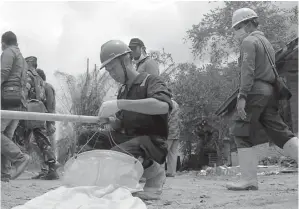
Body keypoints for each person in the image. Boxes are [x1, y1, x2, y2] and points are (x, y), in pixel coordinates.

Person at [227, 8, 298, 191]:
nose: (237, 31)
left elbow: (247, 71)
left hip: (255, 91)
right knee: (280, 131)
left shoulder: (249, 42)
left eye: (239, 26)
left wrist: (242, 96)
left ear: (249, 23)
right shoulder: (265, 42)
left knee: (240, 129)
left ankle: (248, 179)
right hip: (270, 91)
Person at [97, 40, 173, 200]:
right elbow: (121, 123)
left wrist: (119, 104)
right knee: (91, 139)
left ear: (126, 61)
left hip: (152, 143)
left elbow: (162, 106)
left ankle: (155, 173)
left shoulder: (151, 81)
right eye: (108, 71)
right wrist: (111, 121)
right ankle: (97, 184)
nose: (112, 74)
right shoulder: (123, 90)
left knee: (117, 156)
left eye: (113, 68)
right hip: (130, 139)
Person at [1, 31, 30, 182]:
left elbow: (3, 72)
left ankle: (20, 158)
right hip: (18, 101)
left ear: (3, 43)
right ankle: (5, 173)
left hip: (7, 100)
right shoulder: (23, 59)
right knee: (5, 137)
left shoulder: (8, 52)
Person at [24, 56, 59, 180]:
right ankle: (47, 169)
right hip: (37, 116)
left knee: (43, 143)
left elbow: (50, 105)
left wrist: (51, 123)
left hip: (39, 117)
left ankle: (51, 168)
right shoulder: (40, 83)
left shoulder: (46, 86)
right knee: (40, 142)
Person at [165, 99, 181, 177]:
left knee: (163, 151)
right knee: (173, 153)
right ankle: (171, 172)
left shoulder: (167, 103)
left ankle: (159, 172)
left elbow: (166, 117)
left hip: (169, 131)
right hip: (176, 131)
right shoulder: (176, 103)